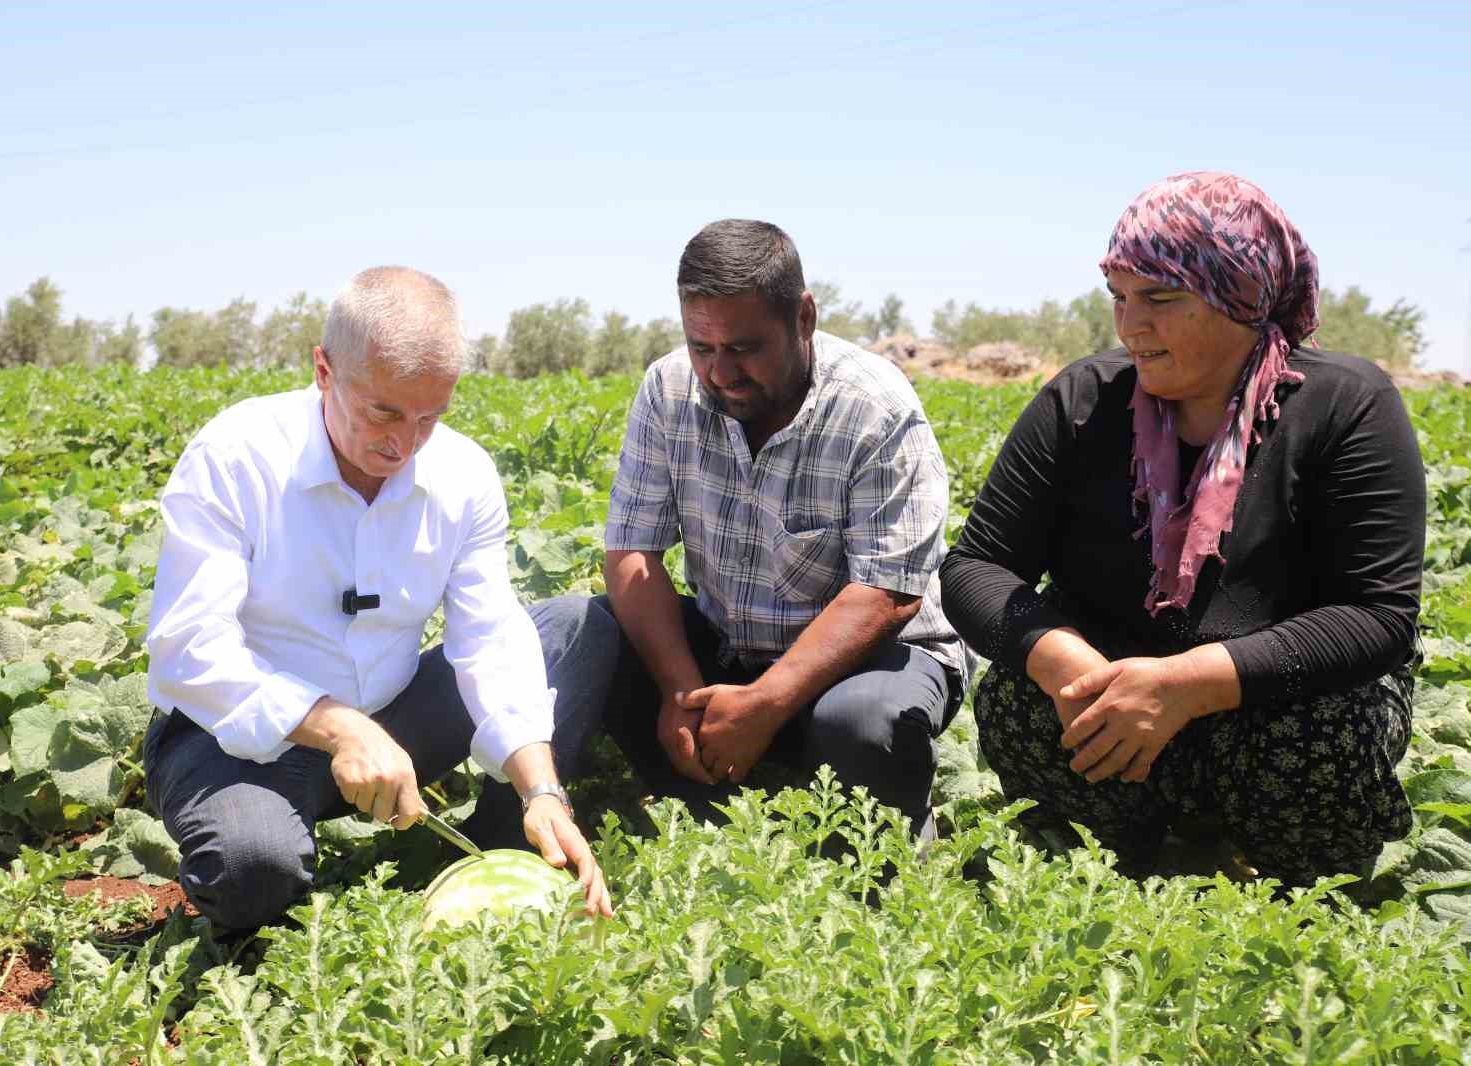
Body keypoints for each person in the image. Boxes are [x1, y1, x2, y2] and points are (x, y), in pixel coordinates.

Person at [940, 172, 1426, 886]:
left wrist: (1186, 685)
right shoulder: (1083, 400)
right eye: (1119, 297)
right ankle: (1120, 860)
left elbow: (1377, 615)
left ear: (1241, 297)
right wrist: (1066, 665)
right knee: (1024, 700)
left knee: (1320, 733)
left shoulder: (1346, 406)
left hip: (1274, 698)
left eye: (1160, 300)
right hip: (1112, 692)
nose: (1130, 325)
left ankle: (1298, 883)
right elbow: (978, 566)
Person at [143, 266, 614, 931]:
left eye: (430, 418)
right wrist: (341, 728)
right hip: (235, 739)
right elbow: (188, 650)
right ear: (323, 371)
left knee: (570, 627)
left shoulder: (462, 475)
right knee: (253, 868)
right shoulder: (236, 457)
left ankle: (509, 839)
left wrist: (540, 787)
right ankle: (271, 838)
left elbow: (488, 637)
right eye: (384, 412)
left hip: (392, 722)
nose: (404, 443)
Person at [539, 219, 969, 839]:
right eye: (702, 348)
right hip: (728, 649)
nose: (721, 373)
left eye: (745, 348)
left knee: (860, 721)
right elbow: (633, 552)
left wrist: (766, 704)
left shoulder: (873, 406)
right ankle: (665, 806)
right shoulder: (668, 389)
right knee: (582, 629)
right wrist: (680, 691)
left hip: (870, 661)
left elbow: (887, 592)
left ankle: (882, 859)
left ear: (804, 318)